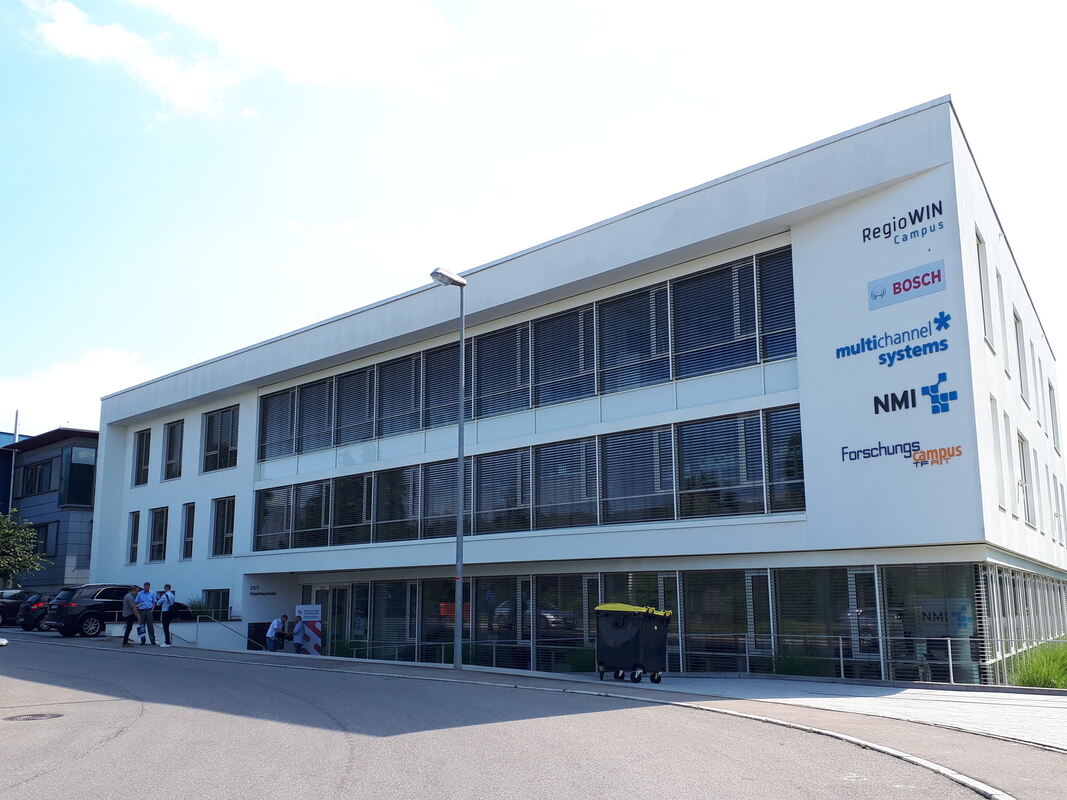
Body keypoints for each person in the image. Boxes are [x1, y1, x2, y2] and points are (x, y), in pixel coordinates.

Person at [135, 581, 158, 646]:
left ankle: (152, 641)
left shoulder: (152, 593)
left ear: (149, 587)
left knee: (150, 626)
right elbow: (136, 602)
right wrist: (138, 607)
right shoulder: (139, 593)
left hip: (149, 611)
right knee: (141, 626)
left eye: (147, 587)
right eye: (145, 587)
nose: (146, 588)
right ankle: (142, 641)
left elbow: (154, 602)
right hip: (141, 611)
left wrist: (152, 610)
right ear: (143, 587)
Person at [158, 583, 177, 648]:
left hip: (165, 612)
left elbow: (158, 603)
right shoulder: (172, 595)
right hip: (170, 612)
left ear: (166, 588)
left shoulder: (164, 595)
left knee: (165, 628)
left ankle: (167, 642)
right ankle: (167, 641)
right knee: (167, 627)